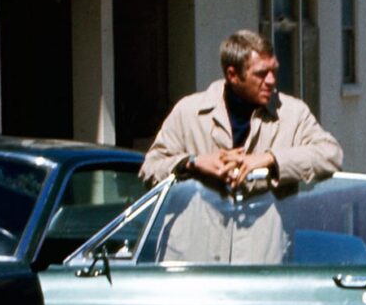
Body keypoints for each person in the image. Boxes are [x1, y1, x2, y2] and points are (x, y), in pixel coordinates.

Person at [139, 30, 343, 263]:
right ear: (233, 75)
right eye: (261, 74)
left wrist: (269, 159)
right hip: (193, 265)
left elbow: (331, 154)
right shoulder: (190, 111)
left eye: (274, 71)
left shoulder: (292, 114)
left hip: (259, 266)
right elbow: (150, 168)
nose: (271, 81)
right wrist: (193, 163)